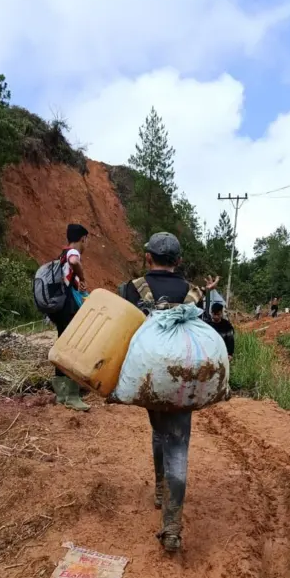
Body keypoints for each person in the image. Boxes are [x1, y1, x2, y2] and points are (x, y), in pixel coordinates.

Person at [119, 232, 219, 555]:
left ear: (148, 258)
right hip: (183, 376)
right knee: (177, 440)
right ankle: (172, 525)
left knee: (158, 428)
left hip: (150, 376)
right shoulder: (193, 293)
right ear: (178, 262)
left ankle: (161, 488)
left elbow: (123, 333)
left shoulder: (132, 288)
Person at [50, 224, 90, 412]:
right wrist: (82, 278)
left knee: (63, 345)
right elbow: (74, 262)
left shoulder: (62, 252)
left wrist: (76, 283)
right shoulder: (73, 251)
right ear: (83, 238)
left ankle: (61, 395)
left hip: (60, 305)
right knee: (73, 346)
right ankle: (72, 396)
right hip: (68, 306)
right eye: (87, 240)